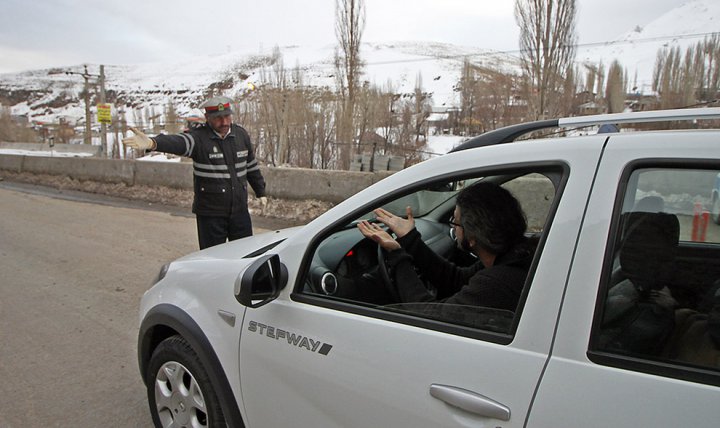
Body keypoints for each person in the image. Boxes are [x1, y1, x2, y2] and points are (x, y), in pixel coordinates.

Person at [357, 181, 535, 311]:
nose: (452, 228)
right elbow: (456, 280)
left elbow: (427, 314)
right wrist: (410, 238)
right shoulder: (510, 256)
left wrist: (396, 254)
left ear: (473, 236)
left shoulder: (498, 283)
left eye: (455, 222)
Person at [122, 96, 268, 249]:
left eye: (227, 117)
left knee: (244, 256)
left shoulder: (241, 135)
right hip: (211, 214)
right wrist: (153, 143)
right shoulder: (198, 138)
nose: (224, 122)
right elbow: (178, 142)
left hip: (240, 213)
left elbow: (251, 166)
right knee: (212, 259)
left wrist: (260, 191)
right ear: (207, 118)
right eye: (218, 118)